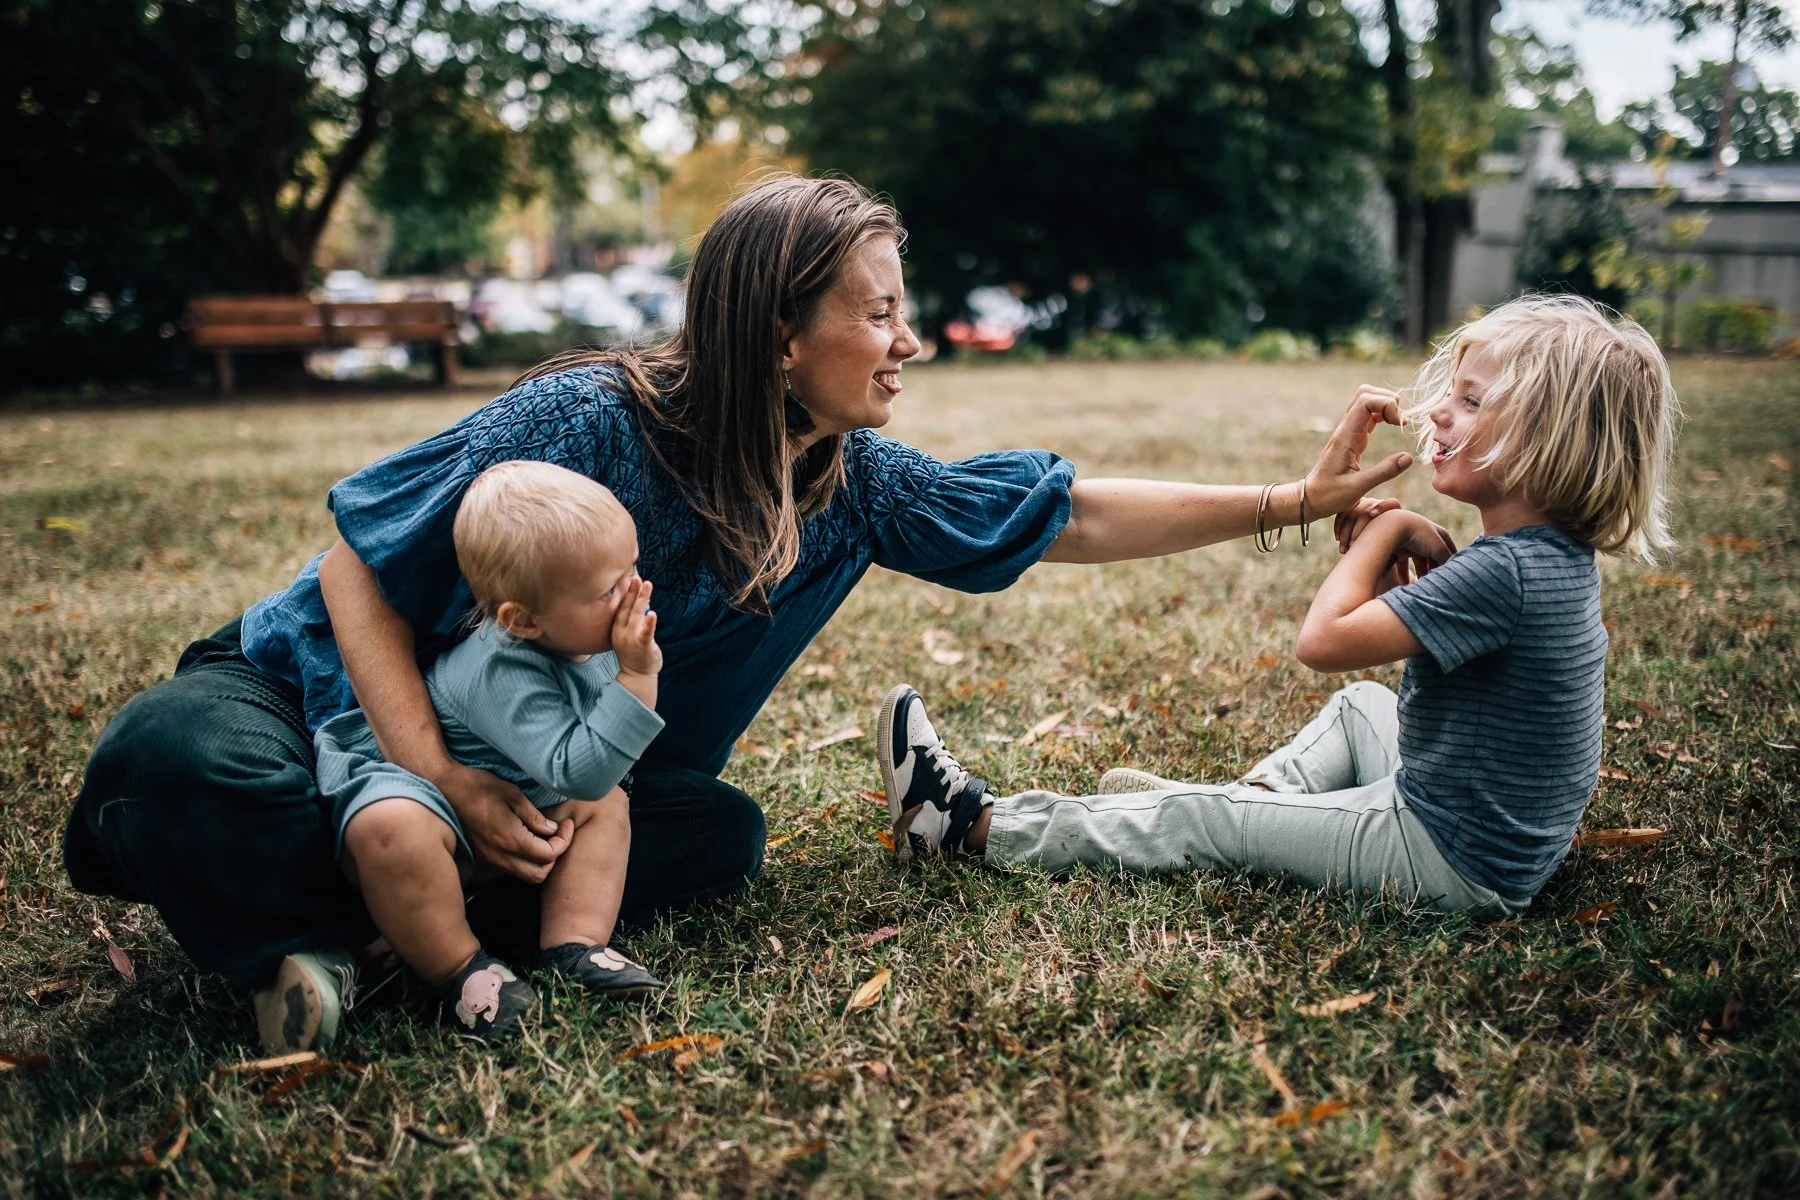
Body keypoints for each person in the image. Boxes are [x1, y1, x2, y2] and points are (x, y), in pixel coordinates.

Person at [64, 174, 1413, 1052]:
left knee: (712, 834)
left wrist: (1301, 498)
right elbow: (357, 566)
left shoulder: (857, 487)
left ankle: (340, 939)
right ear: (779, 334)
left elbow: (1066, 514)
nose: (908, 342)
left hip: (529, 784)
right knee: (185, 760)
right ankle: (350, 906)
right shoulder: (588, 419)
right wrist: (442, 774)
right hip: (320, 704)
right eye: (879, 315)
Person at [878, 294, 1680, 917]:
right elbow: (1447, 665)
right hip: (1478, 830)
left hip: (1448, 857)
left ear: (1548, 441)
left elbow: (1322, 639)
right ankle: (1259, 805)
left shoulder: (1508, 572)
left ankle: (971, 827)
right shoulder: (1542, 560)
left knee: (1204, 825)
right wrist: (1400, 562)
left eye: (1471, 402)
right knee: (1362, 708)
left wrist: (1385, 532)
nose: (1439, 411)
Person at [284, 461, 667, 1050]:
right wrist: (639, 678)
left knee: (605, 808)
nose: (633, 594)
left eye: (632, 568)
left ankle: (575, 944)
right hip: (421, 794)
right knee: (393, 830)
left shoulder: (583, 638)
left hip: (511, 790)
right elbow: (582, 771)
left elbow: (597, 782)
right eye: (607, 590)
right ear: (523, 619)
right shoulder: (502, 668)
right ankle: (463, 973)